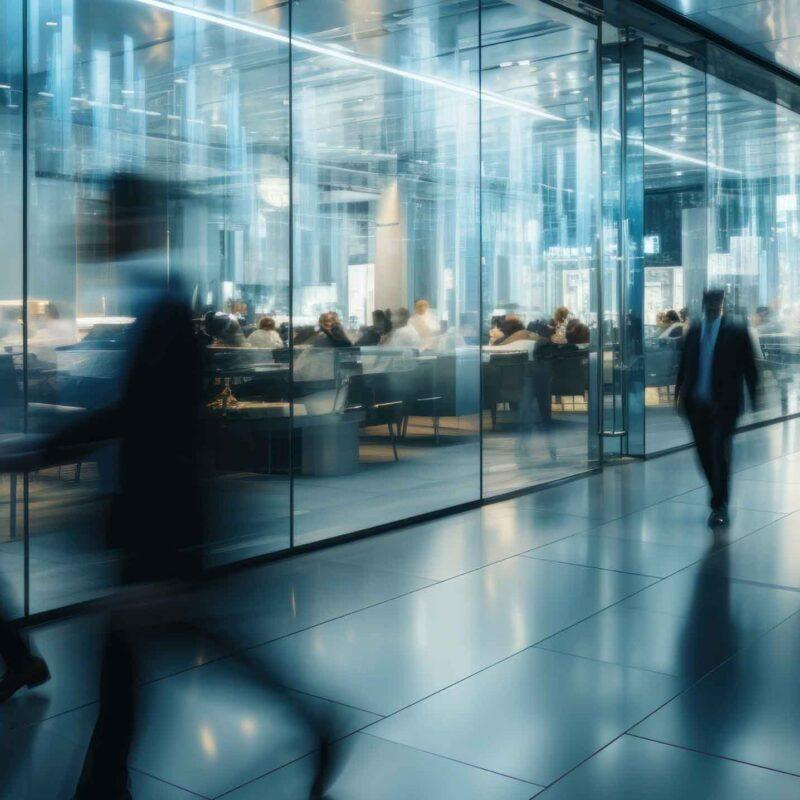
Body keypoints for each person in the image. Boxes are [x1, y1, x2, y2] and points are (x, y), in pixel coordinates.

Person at [676, 288, 759, 528]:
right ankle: (717, 494)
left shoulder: (736, 331)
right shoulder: (694, 331)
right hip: (697, 403)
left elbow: (749, 368)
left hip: (725, 404)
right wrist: (679, 394)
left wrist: (755, 398)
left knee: (719, 452)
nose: (712, 305)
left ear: (722, 303)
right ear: (703, 303)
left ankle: (719, 505)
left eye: (716, 301)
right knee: (703, 454)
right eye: (709, 301)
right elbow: (684, 365)